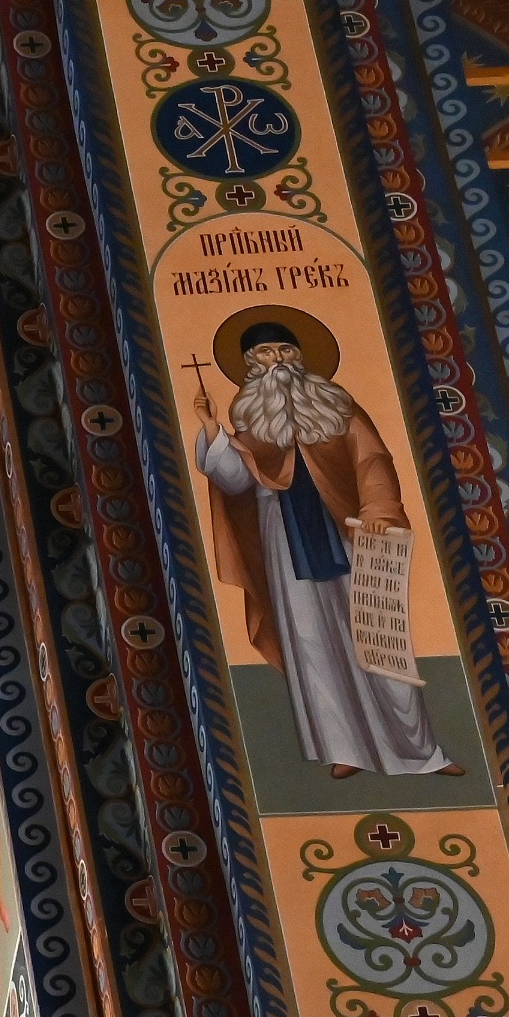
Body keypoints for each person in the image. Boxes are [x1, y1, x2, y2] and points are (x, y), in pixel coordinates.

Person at [195, 319, 455, 777]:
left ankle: (421, 753)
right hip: (285, 540)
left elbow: (372, 459)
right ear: (251, 363)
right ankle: (345, 751)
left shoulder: (336, 406)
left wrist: (379, 509)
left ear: (299, 355)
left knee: (377, 635)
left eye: (284, 349)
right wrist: (212, 430)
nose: (276, 360)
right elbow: (236, 482)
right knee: (310, 642)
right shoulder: (250, 415)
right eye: (265, 353)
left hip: (349, 529)